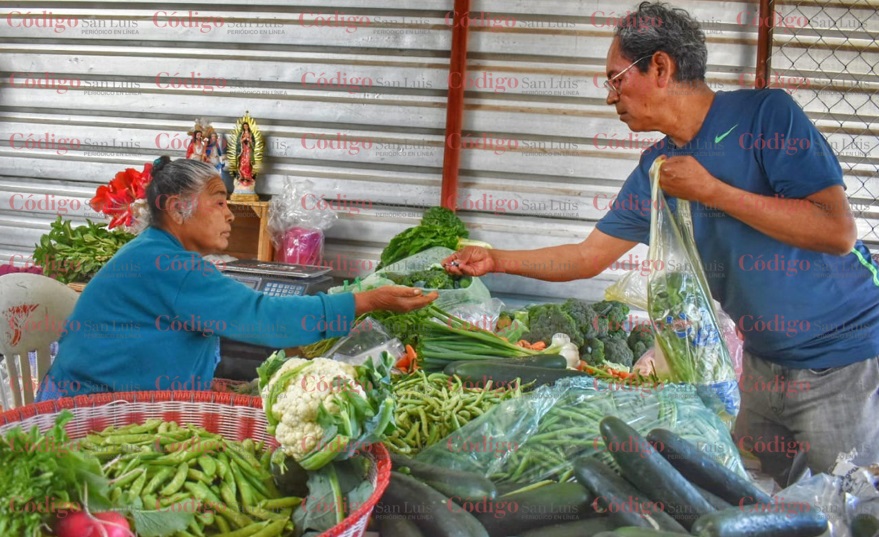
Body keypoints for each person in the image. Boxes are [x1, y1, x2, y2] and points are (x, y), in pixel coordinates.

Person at [444, 1, 879, 485]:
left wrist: (713, 192)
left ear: (660, 67)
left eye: (615, 78)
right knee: (746, 495)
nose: (610, 97)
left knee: (850, 503)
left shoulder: (765, 116)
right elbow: (588, 256)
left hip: (845, 363)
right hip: (763, 366)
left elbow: (837, 231)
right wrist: (497, 259)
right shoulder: (657, 170)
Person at [36, 157, 435, 401]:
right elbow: (264, 317)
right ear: (177, 208)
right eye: (219, 202)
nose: (230, 215)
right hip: (87, 416)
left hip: (103, 401)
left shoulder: (155, 253)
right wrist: (371, 300)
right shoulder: (168, 267)